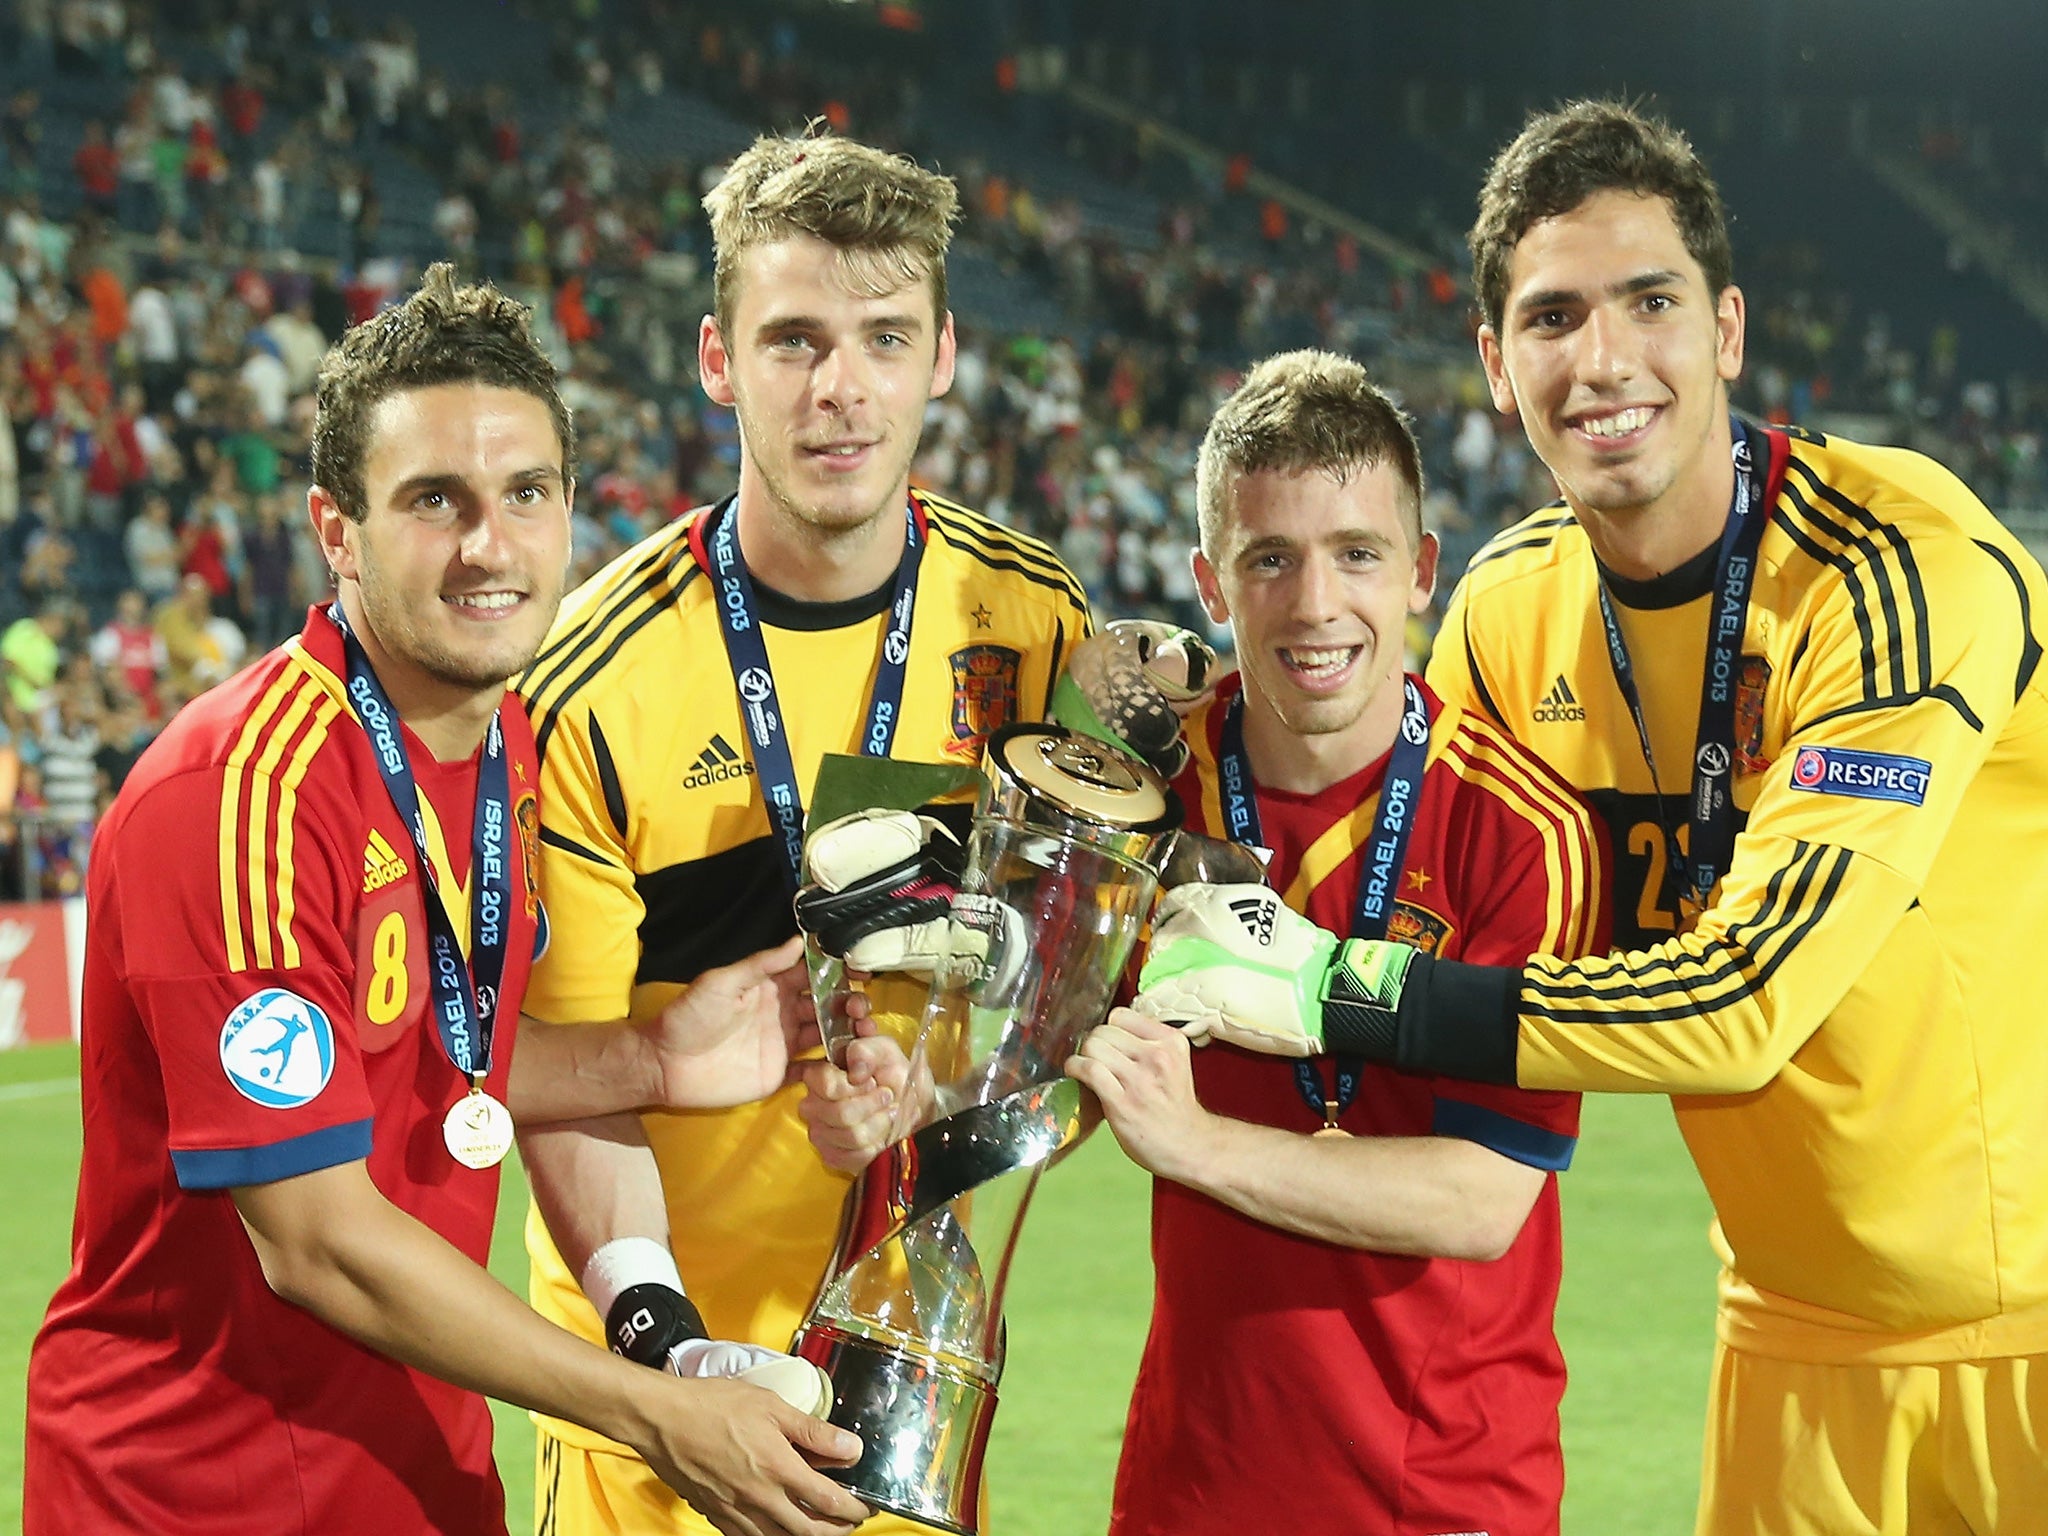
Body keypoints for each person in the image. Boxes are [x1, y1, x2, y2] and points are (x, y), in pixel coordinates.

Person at [1133, 101, 2048, 1536]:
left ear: (1727, 332)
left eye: (1650, 303)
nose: (1605, 359)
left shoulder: (1900, 572)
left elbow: (1748, 1005)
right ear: (1498, 365)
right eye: (1555, 316)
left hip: (2034, 1334)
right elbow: (1400, 815)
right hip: (1791, 1336)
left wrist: (1332, 990)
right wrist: (1201, 682)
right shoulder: (1507, 611)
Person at [23, 265, 868, 1536]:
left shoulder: (504, 744)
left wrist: (641, 1055)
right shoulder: (239, 796)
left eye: (525, 494)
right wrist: (651, 1412)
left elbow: (423, 1061)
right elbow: (312, 1238)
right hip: (195, 1493)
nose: (490, 544)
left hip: (417, 1479)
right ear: (335, 531)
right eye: (435, 501)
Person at [511, 130, 1095, 1536]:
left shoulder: (1035, 625)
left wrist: (948, 1110)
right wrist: (672, 1356)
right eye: (792, 341)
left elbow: (1079, 986)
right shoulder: (595, 684)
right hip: (655, 1404)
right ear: (718, 358)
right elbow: (566, 1079)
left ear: (945, 354)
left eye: (884, 338)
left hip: (911, 1395)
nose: (840, 390)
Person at [1060, 351, 1607, 1536]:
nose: (1314, 605)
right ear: (1211, 582)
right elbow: (1054, 1086)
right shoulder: (1147, 790)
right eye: (1270, 559)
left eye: (1356, 553)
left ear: (1419, 570)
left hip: (1444, 1499)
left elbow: (1479, 1199)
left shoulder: (1526, 831)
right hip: (1186, 1490)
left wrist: (1193, 1144)